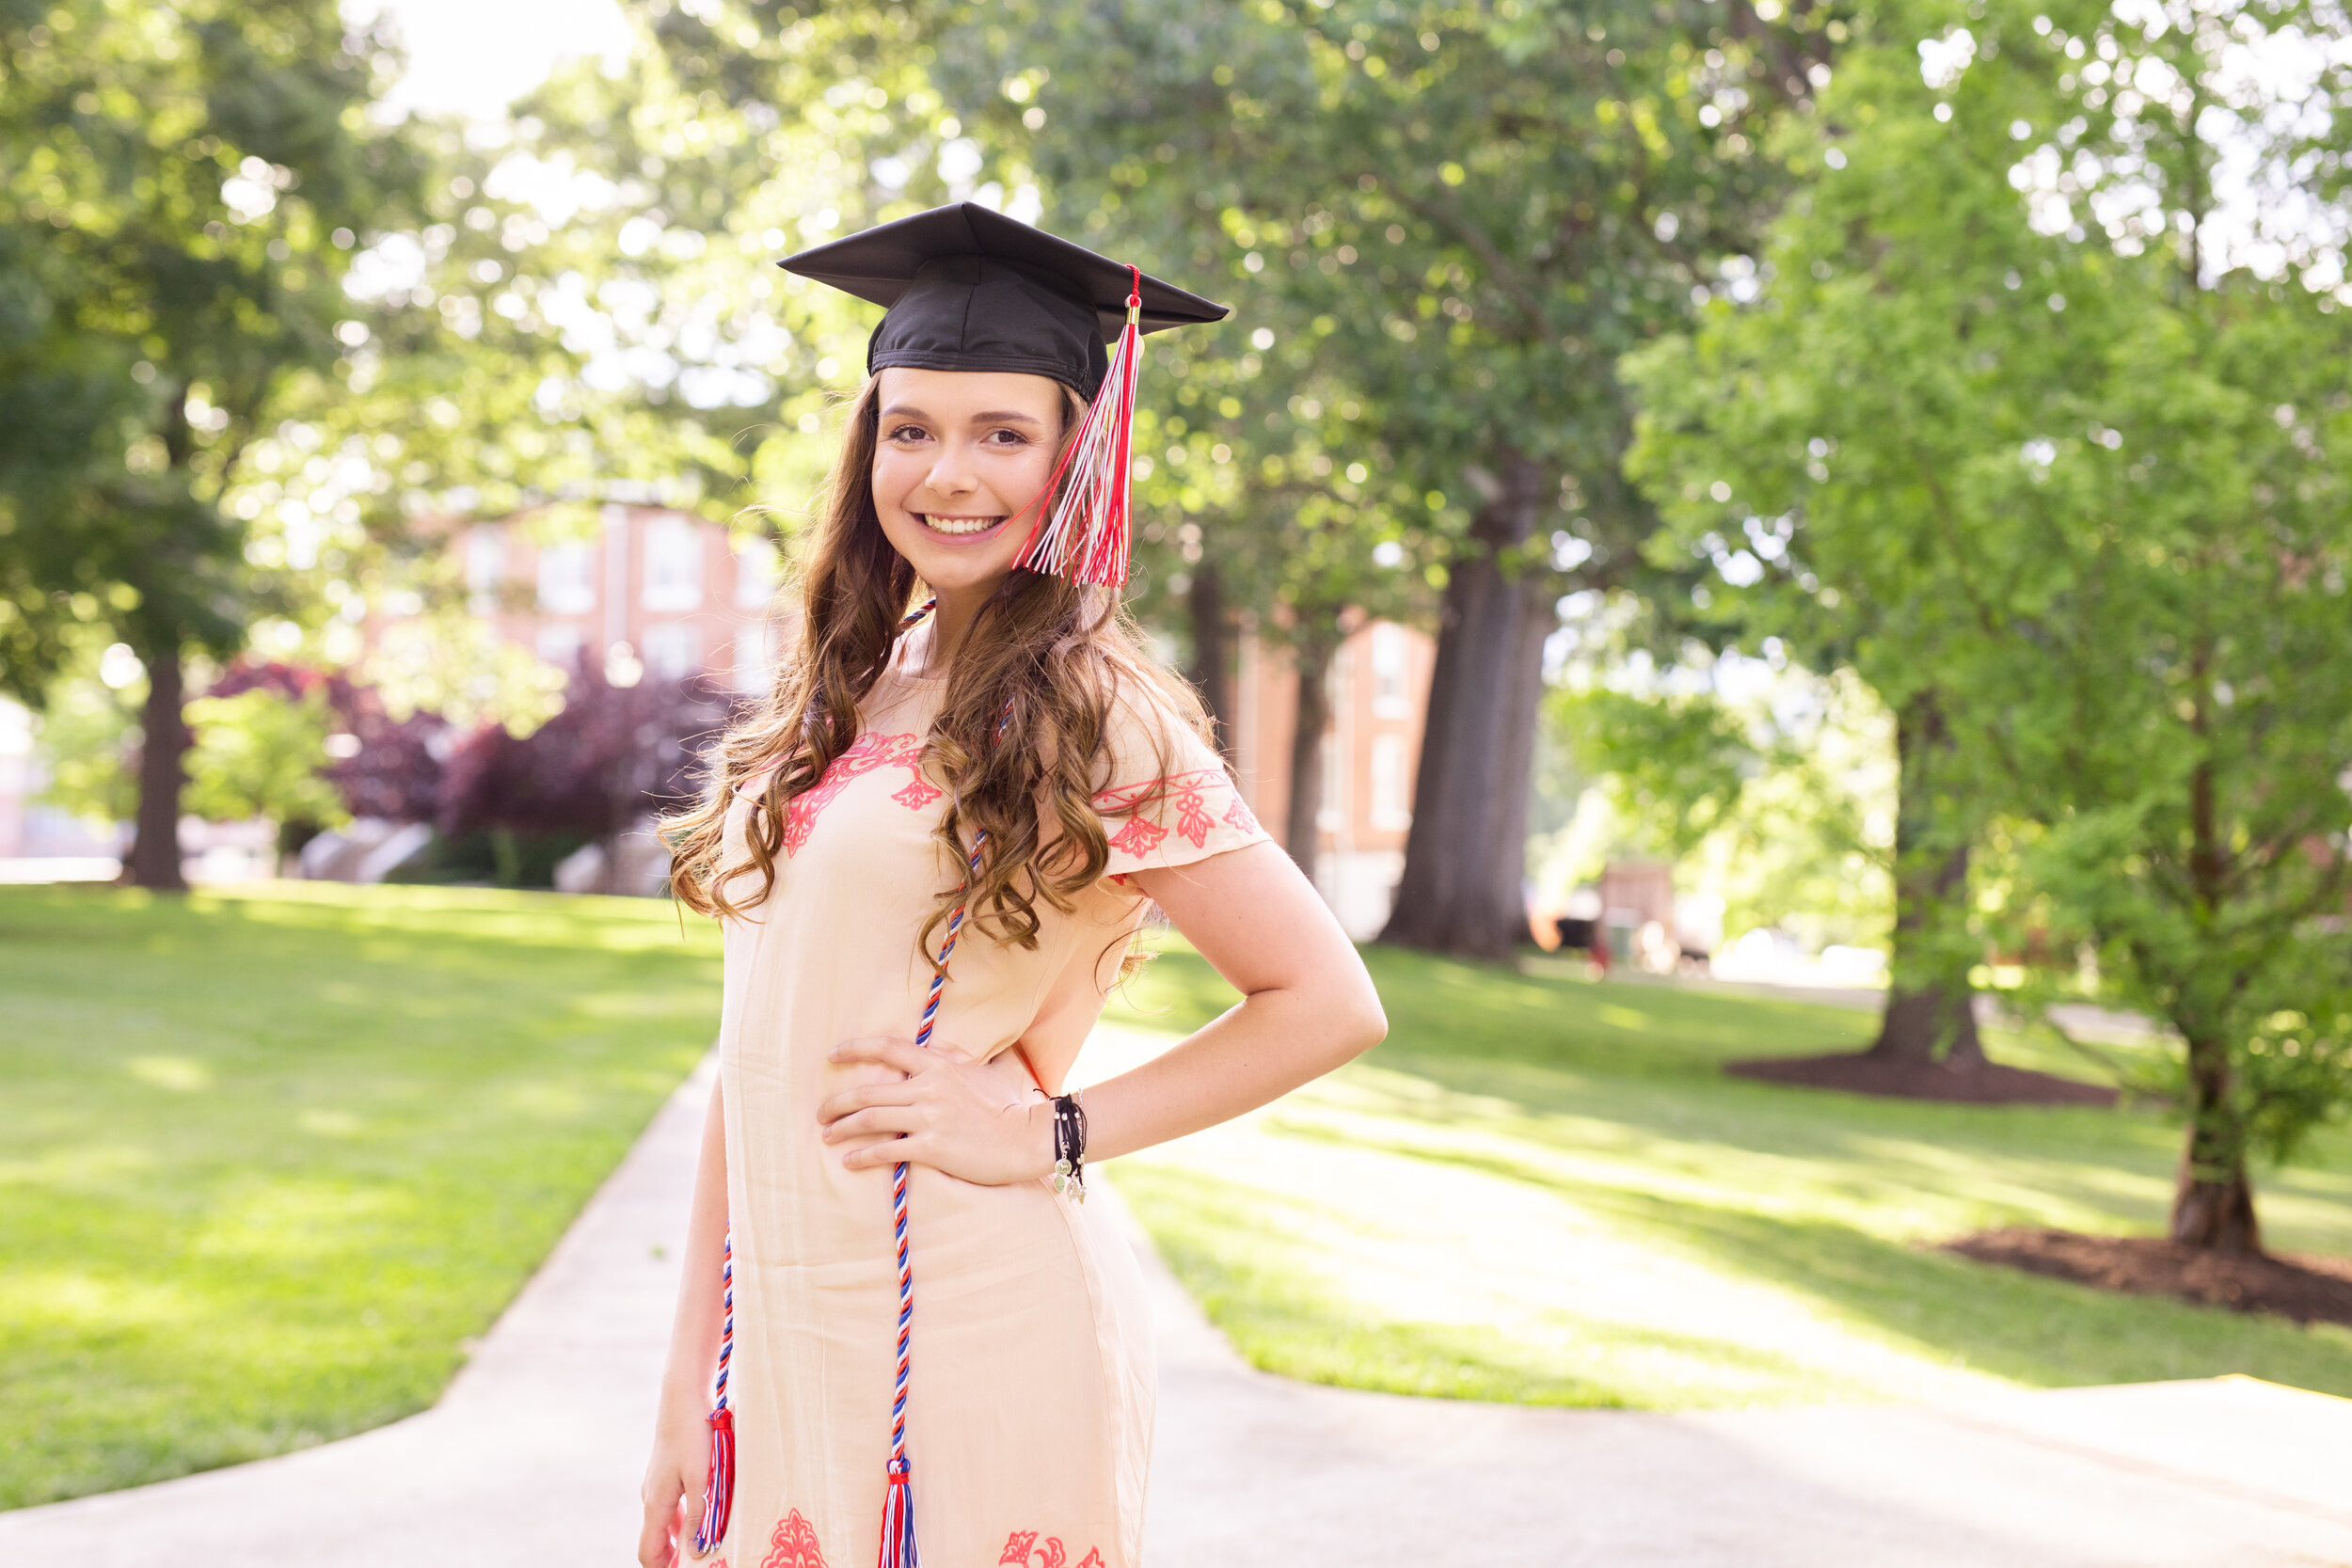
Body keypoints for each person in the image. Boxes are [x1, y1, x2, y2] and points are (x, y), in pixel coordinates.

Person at [640, 203, 1386, 1568]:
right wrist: (687, 1376)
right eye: (912, 428)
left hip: (968, 1331)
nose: (948, 474)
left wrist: (1052, 1134)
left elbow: (1326, 1001)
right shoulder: (857, 683)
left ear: (1075, 458)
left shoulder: (1097, 711)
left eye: (1004, 434)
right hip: (793, 1335)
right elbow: (756, 1055)